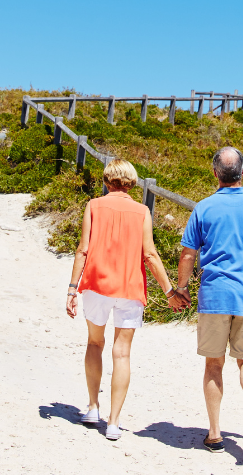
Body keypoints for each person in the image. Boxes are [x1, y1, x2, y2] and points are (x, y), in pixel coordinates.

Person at [171, 146, 243, 458]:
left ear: (215, 173)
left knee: (214, 363)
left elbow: (188, 254)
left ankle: (215, 434)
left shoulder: (203, 209)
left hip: (215, 296)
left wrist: (181, 287)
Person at [66, 159, 186, 441]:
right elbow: (150, 255)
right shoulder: (142, 211)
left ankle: (93, 407)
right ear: (131, 182)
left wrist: (72, 289)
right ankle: (114, 422)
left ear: (107, 180)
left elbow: (83, 250)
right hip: (130, 289)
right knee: (122, 353)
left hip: (96, 285)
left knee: (95, 343)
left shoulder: (94, 206)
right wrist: (170, 292)